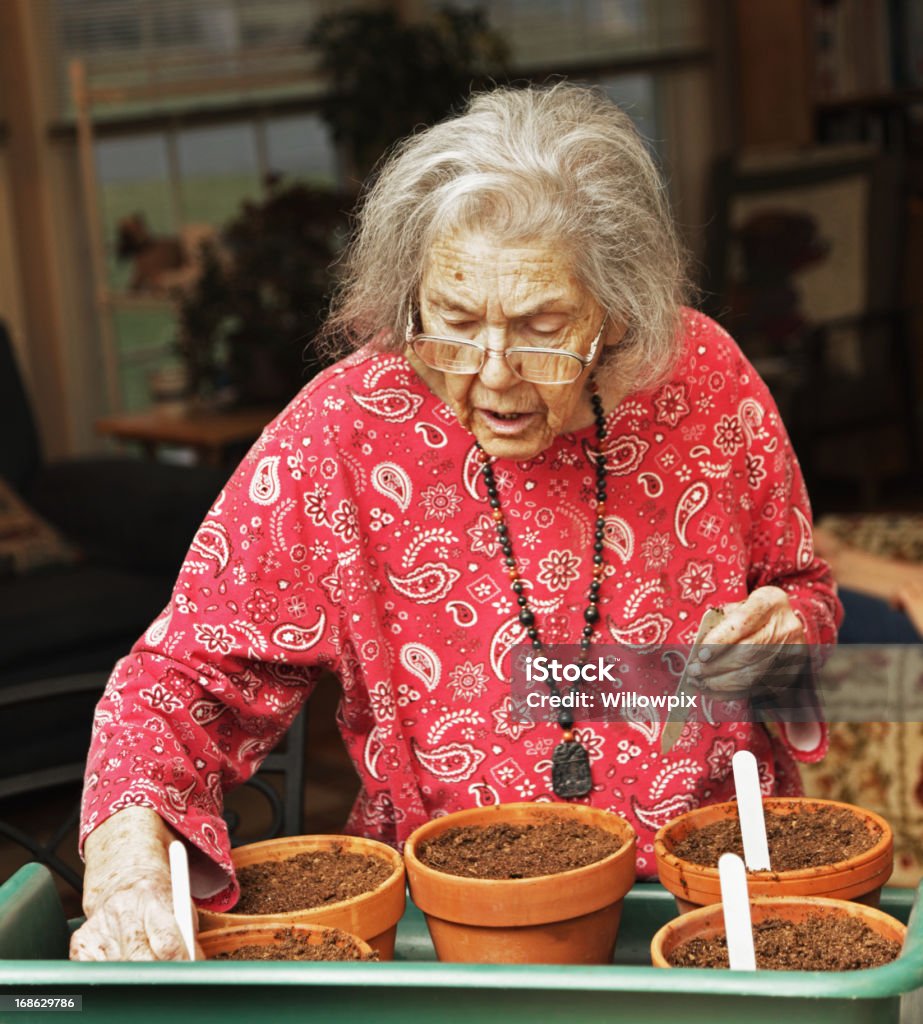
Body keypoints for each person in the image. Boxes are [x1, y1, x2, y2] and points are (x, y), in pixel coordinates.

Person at [70, 83, 840, 961]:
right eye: (456, 322)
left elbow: (797, 590)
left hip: (713, 903)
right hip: (455, 925)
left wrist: (787, 635)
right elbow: (181, 678)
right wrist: (128, 865)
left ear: (617, 308)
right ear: (409, 302)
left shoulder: (703, 379)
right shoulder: (348, 428)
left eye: (542, 324)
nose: (495, 372)